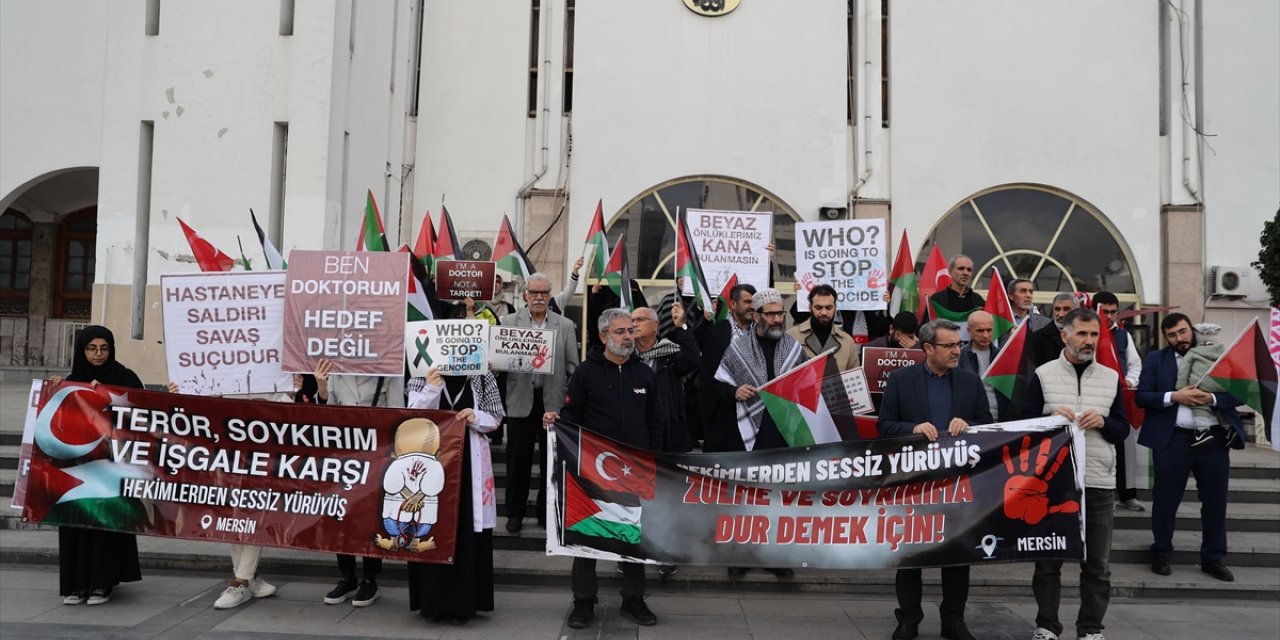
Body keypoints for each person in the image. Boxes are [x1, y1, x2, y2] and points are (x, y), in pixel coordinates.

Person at [543, 308, 665, 629]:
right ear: (603, 336)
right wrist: (557, 423)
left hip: (635, 473)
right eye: (621, 331)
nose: (629, 336)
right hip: (592, 473)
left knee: (633, 538)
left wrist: (652, 460)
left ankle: (634, 600)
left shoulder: (645, 374)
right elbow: (573, 417)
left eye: (631, 330)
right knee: (587, 538)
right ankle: (583, 603)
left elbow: (656, 420)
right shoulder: (586, 373)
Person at [877, 319, 990, 640]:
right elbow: (884, 426)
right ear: (928, 348)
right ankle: (908, 619)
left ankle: (953, 620)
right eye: (949, 345)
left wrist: (968, 424)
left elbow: (987, 424)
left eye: (959, 344)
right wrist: (911, 429)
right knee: (910, 555)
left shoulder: (970, 382)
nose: (957, 350)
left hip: (957, 485)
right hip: (915, 483)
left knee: (957, 555)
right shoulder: (901, 380)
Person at [1024, 308, 1129, 640]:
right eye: (1082, 334)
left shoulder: (1112, 378)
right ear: (1064, 335)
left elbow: (1123, 429)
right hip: (1053, 486)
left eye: (1094, 334)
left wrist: (1104, 422)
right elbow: (1022, 427)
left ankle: (1091, 629)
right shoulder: (1042, 375)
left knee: (1097, 565)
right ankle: (1047, 626)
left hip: (1098, 483)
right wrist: (1049, 415)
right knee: (1047, 563)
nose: (1089, 341)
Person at [1136, 313, 1246, 583]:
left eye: (1183, 332)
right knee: (1165, 501)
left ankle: (1212, 558)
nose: (1179, 338)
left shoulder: (1218, 355)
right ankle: (1161, 553)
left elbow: (1238, 392)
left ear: (1192, 330)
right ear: (1165, 337)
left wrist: (1210, 397)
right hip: (1173, 440)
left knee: (1215, 501)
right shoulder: (1155, 360)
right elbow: (1142, 396)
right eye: (1172, 335)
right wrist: (1175, 396)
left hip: (1214, 439)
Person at [46, 325, 144, 606]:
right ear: (82, 351)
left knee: (104, 522)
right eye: (92, 348)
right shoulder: (72, 381)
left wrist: (108, 393)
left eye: (104, 348)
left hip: (110, 466)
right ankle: (77, 585)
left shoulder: (124, 377)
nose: (98, 354)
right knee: (76, 521)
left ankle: (102, 583)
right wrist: (55, 390)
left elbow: (142, 410)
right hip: (77, 466)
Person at [714, 287, 803, 579]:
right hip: (747, 431)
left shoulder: (793, 349)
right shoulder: (737, 348)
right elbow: (718, 385)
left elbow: (805, 387)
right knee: (745, 496)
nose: (778, 319)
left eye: (781, 313)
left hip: (781, 432)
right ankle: (742, 554)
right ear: (757, 316)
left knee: (777, 497)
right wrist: (734, 391)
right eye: (772, 313)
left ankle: (775, 555)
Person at [405, 366, 504, 624]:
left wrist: (475, 416)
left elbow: (496, 417)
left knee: (466, 531)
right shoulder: (421, 373)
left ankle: (464, 604)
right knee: (431, 527)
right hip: (432, 463)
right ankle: (433, 603)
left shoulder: (483, 376)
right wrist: (432, 388)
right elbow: (413, 414)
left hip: (470, 464)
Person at [501, 272, 579, 533]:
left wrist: (566, 401)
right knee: (517, 462)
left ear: (550, 295)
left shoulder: (565, 325)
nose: (538, 297)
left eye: (543, 293)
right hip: (520, 400)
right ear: (525, 295)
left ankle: (547, 513)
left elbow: (572, 368)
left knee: (551, 463)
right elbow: (498, 364)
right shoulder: (509, 321)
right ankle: (514, 513)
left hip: (552, 404)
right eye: (533, 292)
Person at [324, 368, 404, 607]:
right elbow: (328, 412)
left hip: (375, 455)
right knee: (342, 514)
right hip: (344, 455)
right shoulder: (336, 372)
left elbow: (398, 414)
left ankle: (370, 579)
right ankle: (346, 576)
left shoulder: (390, 371)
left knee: (369, 516)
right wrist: (320, 385)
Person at [1092, 291, 1145, 512]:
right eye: (1105, 312)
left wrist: (1130, 380)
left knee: (1124, 448)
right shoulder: (1088, 332)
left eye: (1114, 312)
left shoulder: (1124, 336)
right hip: (1093, 398)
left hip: (1119, 398)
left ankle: (1127, 495)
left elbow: (1135, 364)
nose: (1110, 316)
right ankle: (1101, 496)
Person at [695, 282, 756, 453]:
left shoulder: (760, 331)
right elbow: (698, 354)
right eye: (747, 302)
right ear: (734, 304)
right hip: (720, 410)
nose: (752, 306)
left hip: (752, 406)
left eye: (754, 302)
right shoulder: (716, 329)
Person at [787, 283, 859, 371]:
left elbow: (854, 378)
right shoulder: (791, 337)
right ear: (810, 307)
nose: (824, 312)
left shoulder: (847, 341)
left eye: (829, 308)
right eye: (818, 307)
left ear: (835, 308)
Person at [958, 310, 1005, 420]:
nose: (985, 335)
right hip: (971, 420)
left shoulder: (1002, 356)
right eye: (980, 331)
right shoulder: (958, 356)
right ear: (969, 331)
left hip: (1000, 419)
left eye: (989, 330)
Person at [925, 255, 984, 324]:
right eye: (961, 268)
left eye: (969, 270)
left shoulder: (978, 301)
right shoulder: (937, 300)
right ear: (950, 272)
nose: (966, 273)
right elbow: (926, 329)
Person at [1030, 293, 1078, 367]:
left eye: (1066, 309)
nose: (1061, 314)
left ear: (1077, 311)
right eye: (1057, 309)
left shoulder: (1086, 336)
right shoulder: (1037, 338)